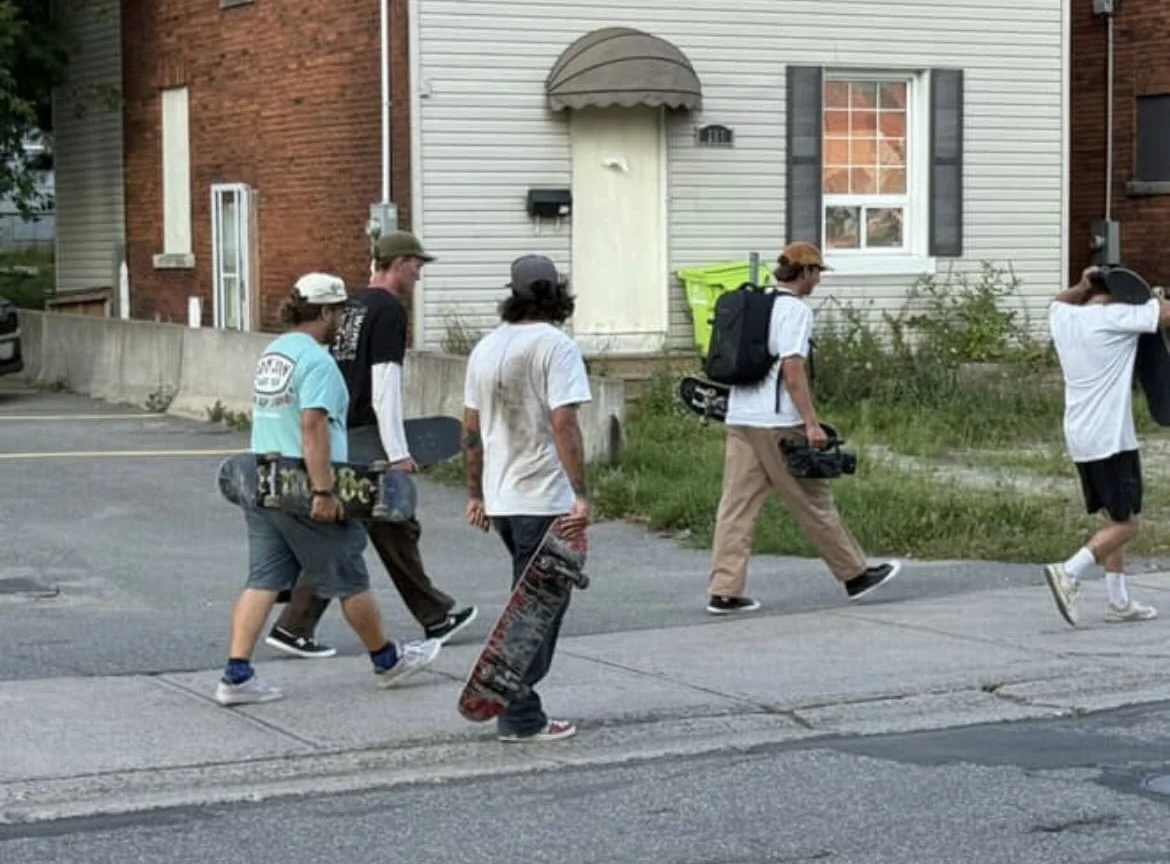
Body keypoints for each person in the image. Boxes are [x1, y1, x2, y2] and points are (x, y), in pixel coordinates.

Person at [215, 273, 442, 706]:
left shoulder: (274, 353)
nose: (342, 320)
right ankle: (387, 660)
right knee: (350, 576)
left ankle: (237, 674)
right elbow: (313, 425)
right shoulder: (317, 363)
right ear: (324, 312)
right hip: (306, 488)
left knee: (262, 579)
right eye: (339, 312)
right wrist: (323, 491)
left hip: (265, 482)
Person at [266, 232, 477, 659]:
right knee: (384, 523)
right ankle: (430, 616)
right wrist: (397, 450)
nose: (419, 274)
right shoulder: (389, 311)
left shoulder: (355, 305)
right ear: (398, 263)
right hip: (367, 434)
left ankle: (298, 624)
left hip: (341, 429)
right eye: (417, 264)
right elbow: (385, 384)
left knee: (373, 525)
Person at [706, 241, 901, 615]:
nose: (818, 281)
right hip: (778, 422)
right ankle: (855, 575)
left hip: (740, 415)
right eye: (817, 273)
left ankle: (724, 590)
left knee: (735, 507)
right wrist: (811, 424)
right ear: (806, 272)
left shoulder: (757, 302)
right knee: (813, 501)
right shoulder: (794, 311)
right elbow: (793, 371)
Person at [462, 254, 591, 743]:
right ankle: (518, 711)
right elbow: (565, 422)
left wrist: (475, 492)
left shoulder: (486, 348)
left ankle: (517, 705)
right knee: (538, 611)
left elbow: (470, 430)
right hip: (544, 497)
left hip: (504, 500)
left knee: (529, 601)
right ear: (556, 294)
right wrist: (580, 494)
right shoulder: (556, 347)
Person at [1042, 265, 1169, 627]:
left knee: (1114, 516)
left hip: (1080, 434)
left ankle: (1119, 600)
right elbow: (1163, 316)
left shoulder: (1065, 317)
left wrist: (1081, 284)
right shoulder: (1117, 318)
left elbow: (1059, 299)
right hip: (1111, 438)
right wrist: (1154, 298)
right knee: (1128, 525)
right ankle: (1069, 571)